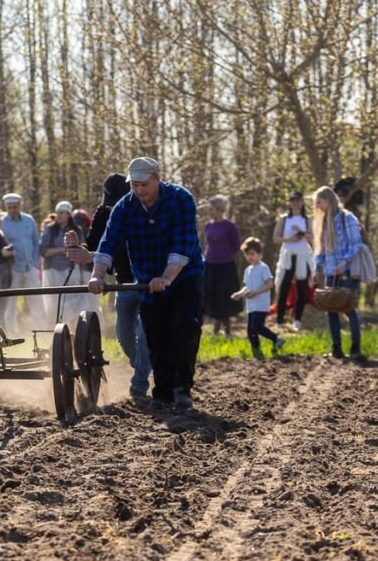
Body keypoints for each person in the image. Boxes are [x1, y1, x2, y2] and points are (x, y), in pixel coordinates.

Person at [88, 158, 205, 410]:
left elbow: (183, 243)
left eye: (144, 185)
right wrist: (97, 275)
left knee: (184, 328)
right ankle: (162, 394)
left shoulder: (181, 199)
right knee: (155, 335)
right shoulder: (124, 207)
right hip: (147, 279)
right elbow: (108, 242)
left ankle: (182, 389)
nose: (140, 190)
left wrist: (167, 277)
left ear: (157, 179)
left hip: (185, 274)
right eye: (135, 185)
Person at [66, 173, 152, 401]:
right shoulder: (103, 213)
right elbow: (95, 243)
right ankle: (144, 365)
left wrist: (94, 256)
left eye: (116, 203)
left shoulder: (142, 212)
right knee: (124, 336)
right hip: (124, 283)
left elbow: (125, 248)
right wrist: (78, 248)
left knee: (144, 334)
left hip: (148, 282)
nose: (112, 208)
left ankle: (139, 384)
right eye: (109, 203)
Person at [311, 186, 365, 363]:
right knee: (331, 309)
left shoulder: (347, 218)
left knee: (349, 308)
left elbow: (356, 243)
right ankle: (336, 349)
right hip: (330, 272)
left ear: (328, 200)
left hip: (347, 272)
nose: (318, 206)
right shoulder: (324, 221)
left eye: (320, 202)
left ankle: (355, 348)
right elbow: (321, 249)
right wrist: (317, 269)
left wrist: (345, 262)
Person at [231, 237, 286, 360]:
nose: (249, 257)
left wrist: (256, 293)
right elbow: (246, 287)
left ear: (259, 254)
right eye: (247, 254)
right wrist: (239, 294)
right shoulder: (248, 270)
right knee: (250, 331)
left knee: (257, 326)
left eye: (252, 254)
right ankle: (256, 352)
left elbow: (270, 284)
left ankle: (276, 338)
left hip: (261, 304)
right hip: (251, 305)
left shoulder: (263, 268)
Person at [0, 193, 46, 333]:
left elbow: (36, 242)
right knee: (11, 303)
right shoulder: (2, 222)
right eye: (9, 208)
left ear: (20, 205)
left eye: (15, 207)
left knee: (36, 301)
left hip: (30, 267)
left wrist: (35, 261)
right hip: (12, 268)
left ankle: (41, 332)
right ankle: (12, 333)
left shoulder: (29, 220)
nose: (12, 210)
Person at [273, 190, 314, 331]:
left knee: (302, 289)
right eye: (293, 200)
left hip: (302, 255)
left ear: (302, 202)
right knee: (284, 287)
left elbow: (313, 238)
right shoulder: (284, 219)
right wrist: (289, 239)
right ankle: (279, 320)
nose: (295, 203)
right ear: (289, 202)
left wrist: (303, 233)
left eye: (298, 200)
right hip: (288, 255)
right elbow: (275, 238)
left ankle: (297, 320)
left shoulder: (307, 219)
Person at [40, 201, 87, 323]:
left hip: (71, 269)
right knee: (53, 302)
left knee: (74, 299)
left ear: (68, 214)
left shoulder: (77, 230)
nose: (59, 215)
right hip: (52, 270)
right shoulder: (50, 230)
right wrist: (61, 250)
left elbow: (82, 250)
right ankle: (55, 327)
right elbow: (43, 251)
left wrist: (82, 272)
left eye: (62, 213)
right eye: (57, 213)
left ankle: (73, 326)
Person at [203, 195, 242, 336]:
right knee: (213, 296)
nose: (209, 212)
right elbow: (208, 243)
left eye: (211, 209)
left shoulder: (229, 226)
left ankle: (227, 332)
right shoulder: (208, 226)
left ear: (219, 210)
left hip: (225, 266)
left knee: (224, 297)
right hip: (210, 265)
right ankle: (215, 330)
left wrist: (226, 255)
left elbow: (236, 245)